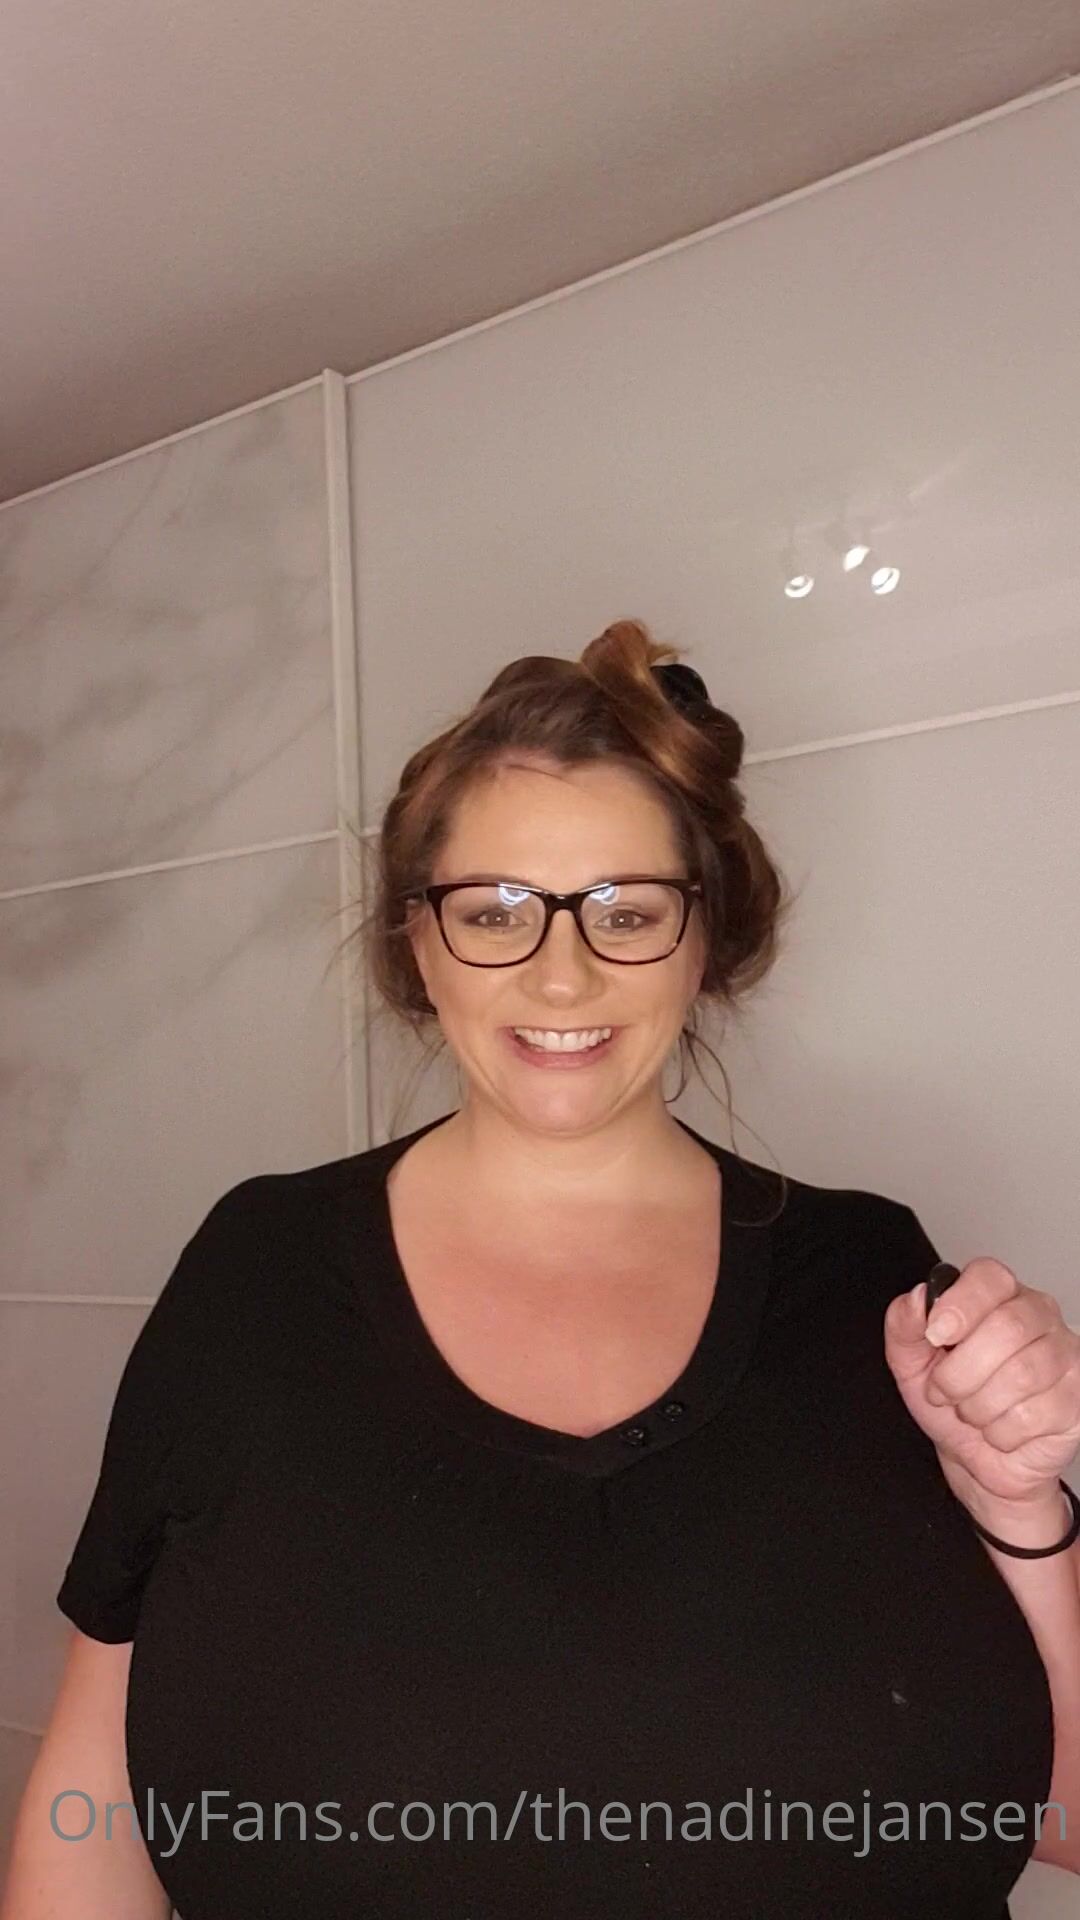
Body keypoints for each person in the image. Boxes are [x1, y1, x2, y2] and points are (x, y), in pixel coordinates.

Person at [4, 618, 1078, 1920]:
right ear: (418, 942)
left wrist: (1016, 1502)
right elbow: (95, 1791)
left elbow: (1059, 1813)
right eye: (494, 912)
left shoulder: (876, 1281)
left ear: (705, 939)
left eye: (627, 912)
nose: (562, 974)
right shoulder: (257, 1276)